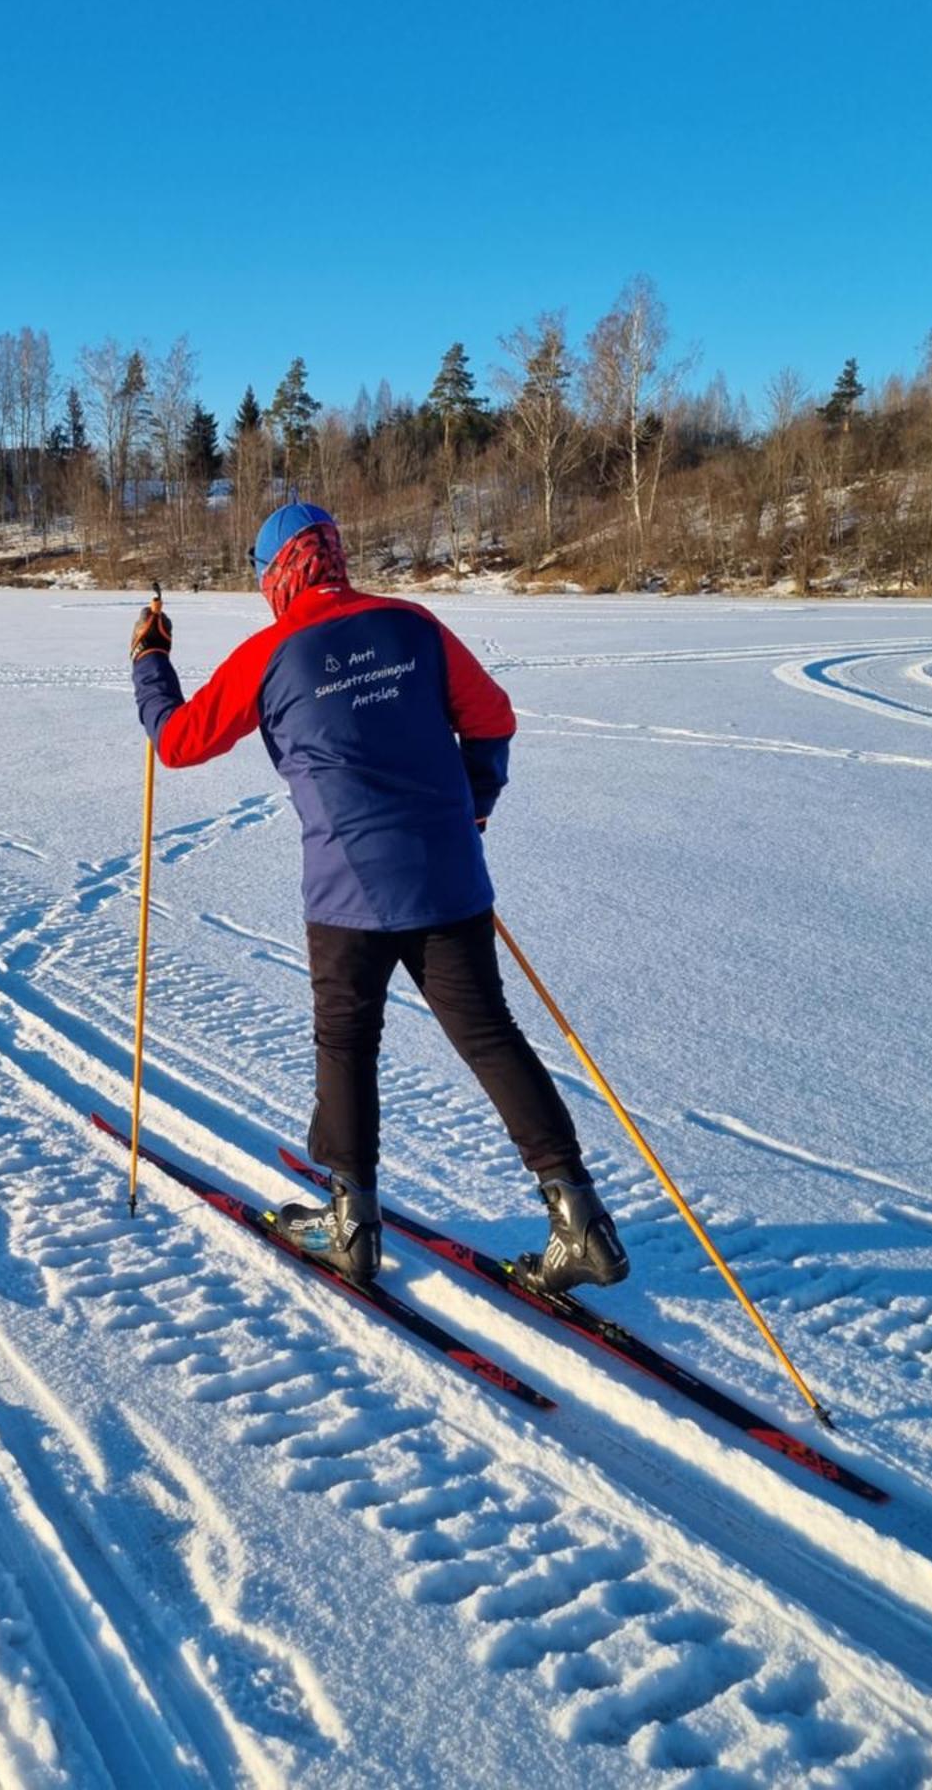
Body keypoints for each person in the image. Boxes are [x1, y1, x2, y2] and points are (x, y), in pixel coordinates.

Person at [130, 501, 628, 1294]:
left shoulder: (270, 651)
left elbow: (180, 742)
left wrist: (149, 664)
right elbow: (492, 718)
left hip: (348, 891)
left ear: (276, 575)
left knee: (347, 1042)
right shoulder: (413, 624)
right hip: (448, 877)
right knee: (489, 1035)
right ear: (332, 554)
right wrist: (474, 804)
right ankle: (580, 1218)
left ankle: (351, 1222)